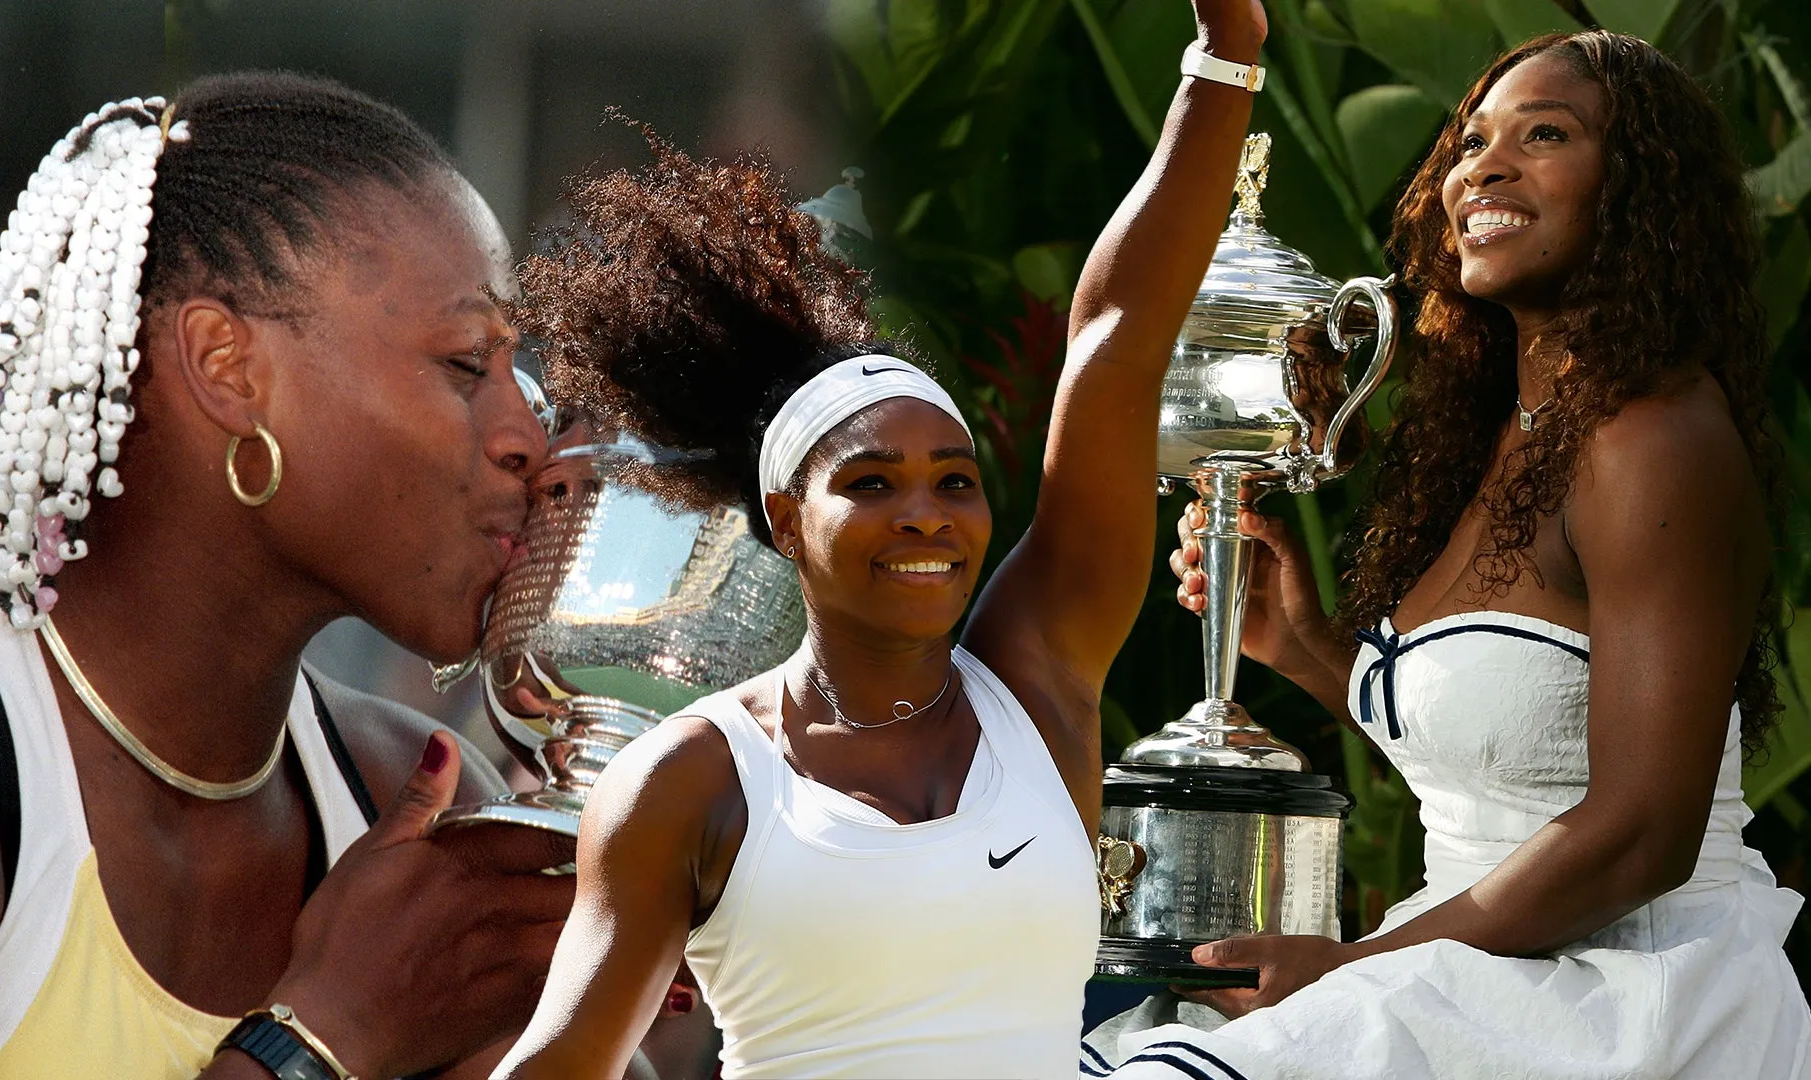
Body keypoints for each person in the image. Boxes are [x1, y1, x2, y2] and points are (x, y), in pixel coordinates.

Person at [488, 2, 1268, 1076]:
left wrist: (1225, 56)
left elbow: (1118, 338)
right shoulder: (694, 778)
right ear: (782, 522)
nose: (926, 515)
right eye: (871, 482)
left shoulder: (1036, 689)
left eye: (955, 481)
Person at [1084, 29, 1811, 1079]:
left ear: (1641, 191)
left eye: (1546, 135)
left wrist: (1358, 962)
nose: (1484, 166)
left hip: (1626, 991)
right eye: (1471, 142)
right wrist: (1304, 648)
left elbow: (1644, 832)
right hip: (1475, 965)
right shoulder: (1500, 433)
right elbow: (1503, 761)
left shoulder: (1651, 439)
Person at [0, 73, 577, 1079]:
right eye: (469, 364)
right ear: (227, 366)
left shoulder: (402, 798)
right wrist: (321, 1039)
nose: (528, 437)